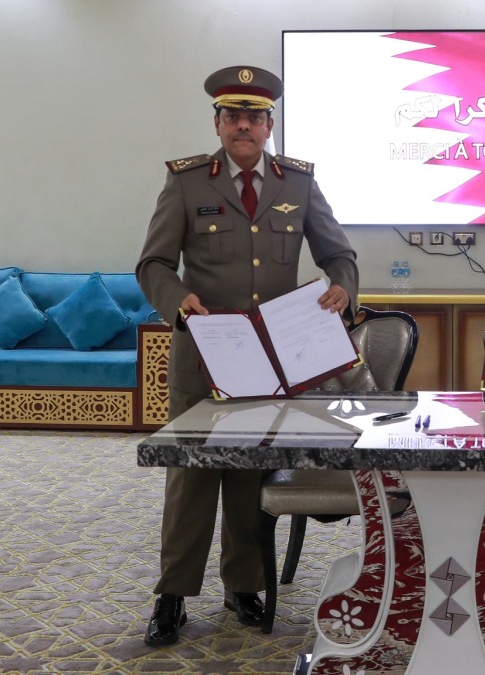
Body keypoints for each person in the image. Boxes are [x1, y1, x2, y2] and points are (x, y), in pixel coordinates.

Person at [135, 65, 358, 646]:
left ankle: (243, 584)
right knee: (190, 477)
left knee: (247, 473)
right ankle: (172, 595)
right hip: (203, 355)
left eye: (254, 118)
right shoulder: (187, 182)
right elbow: (152, 264)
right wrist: (176, 300)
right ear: (218, 123)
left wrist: (343, 286)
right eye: (233, 117)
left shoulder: (297, 184)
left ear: (269, 126)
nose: (244, 127)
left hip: (270, 363)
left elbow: (340, 254)